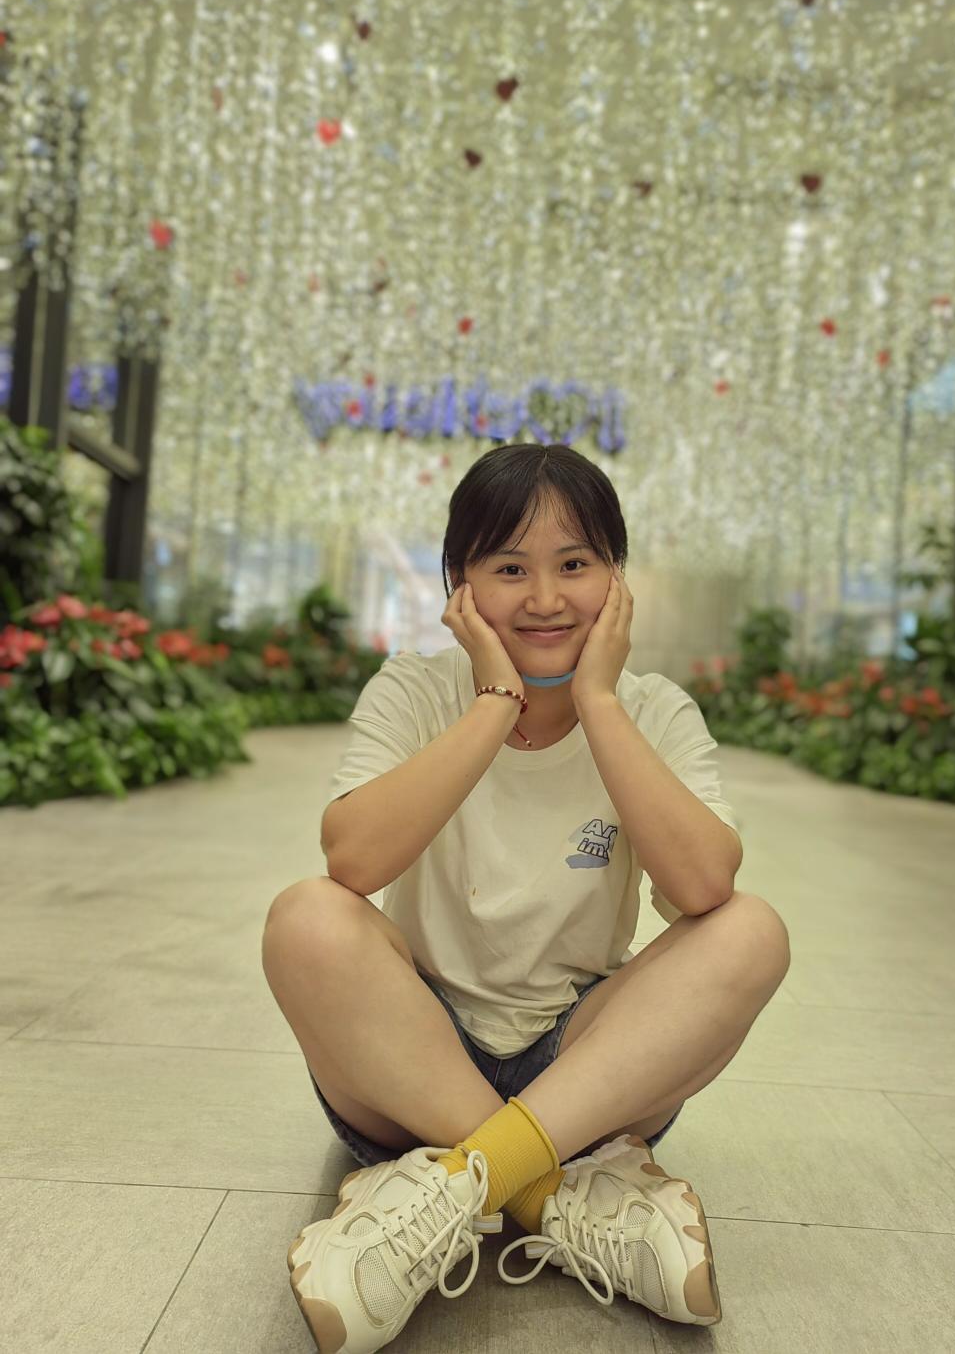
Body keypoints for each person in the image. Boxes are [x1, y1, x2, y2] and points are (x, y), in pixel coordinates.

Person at [262, 442, 790, 1353]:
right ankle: (553, 1195)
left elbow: (705, 885)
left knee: (752, 931)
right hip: (411, 1068)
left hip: (585, 1070)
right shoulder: (415, 688)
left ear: (616, 577)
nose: (545, 598)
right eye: (510, 568)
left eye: (574, 564)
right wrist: (494, 701)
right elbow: (352, 859)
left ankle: (456, 1183)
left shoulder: (654, 709)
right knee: (305, 916)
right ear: (459, 585)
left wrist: (600, 703)